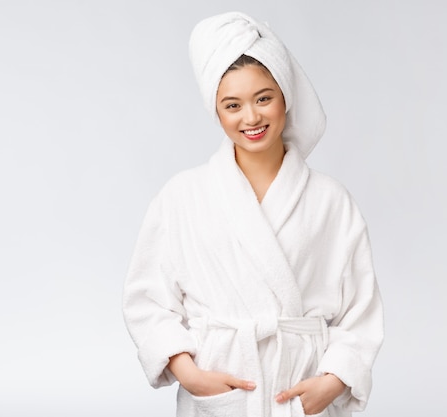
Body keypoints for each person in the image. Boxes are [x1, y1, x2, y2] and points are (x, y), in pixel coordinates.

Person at [122, 11, 384, 417]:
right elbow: (147, 301)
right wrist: (189, 373)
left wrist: (332, 382)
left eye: (263, 98)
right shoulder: (182, 196)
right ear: (217, 111)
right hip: (220, 394)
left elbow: (360, 311)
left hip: (301, 394)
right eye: (233, 105)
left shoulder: (331, 200)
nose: (251, 117)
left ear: (285, 98)